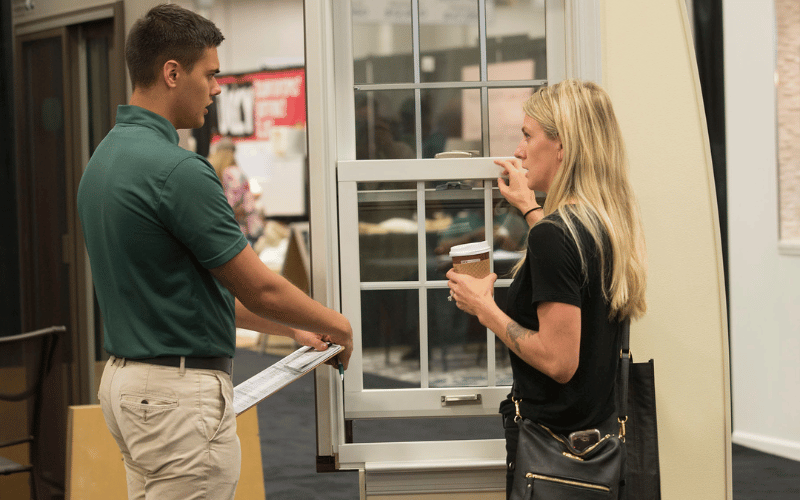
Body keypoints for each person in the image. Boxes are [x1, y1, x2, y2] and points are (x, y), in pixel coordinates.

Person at [76, 5, 352, 499]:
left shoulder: (103, 160)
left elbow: (194, 294)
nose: (219, 88)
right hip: (176, 399)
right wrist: (337, 324)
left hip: (127, 388)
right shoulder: (177, 170)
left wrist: (292, 326)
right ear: (172, 73)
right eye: (212, 74)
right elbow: (261, 287)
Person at [445, 79, 647, 498]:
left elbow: (558, 362)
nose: (518, 151)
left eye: (527, 136)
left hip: (555, 451)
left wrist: (486, 308)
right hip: (596, 440)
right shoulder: (602, 223)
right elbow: (571, 264)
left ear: (563, 147)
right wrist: (531, 209)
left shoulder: (555, 235)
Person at [207, 137, 264, 245]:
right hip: (238, 230)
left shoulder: (208, 170)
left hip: (216, 229)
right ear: (233, 152)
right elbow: (240, 204)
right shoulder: (234, 172)